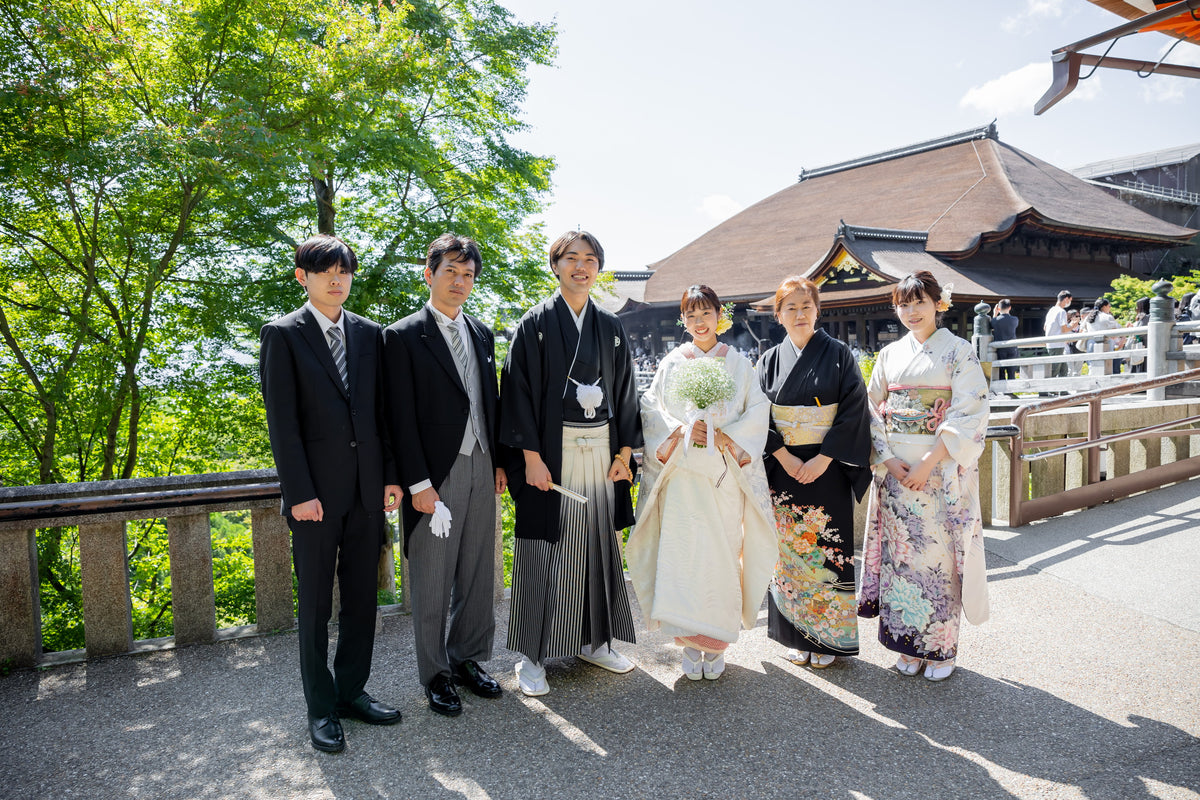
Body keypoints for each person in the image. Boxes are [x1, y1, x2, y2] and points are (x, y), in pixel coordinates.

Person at [259, 234, 403, 753]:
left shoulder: (369, 334)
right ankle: (320, 709)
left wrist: (389, 475)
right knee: (316, 605)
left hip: (367, 491)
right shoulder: (283, 334)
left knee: (363, 600)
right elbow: (283, 423)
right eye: (325, 272)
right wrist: (298, 491)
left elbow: (380, 414)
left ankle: (352, 692)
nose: (335, 279)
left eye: (343, 271)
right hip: (314, 498)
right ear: (304, 277)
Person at [500, 230, 643, 697]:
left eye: (590, 260)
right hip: (550, 456)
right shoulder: (534, 323)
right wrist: (530, 459)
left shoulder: (610, 326)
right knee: (544, 551)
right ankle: (532, 655)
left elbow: (625, 392)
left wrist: (625, 454)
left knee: (598, 547)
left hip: (602, 451)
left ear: (598, 269)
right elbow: (516, 394)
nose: (581, 267)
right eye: (571, 259)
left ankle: (594, 641)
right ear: (555, 265)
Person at [381, 233, 507, 718]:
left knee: (479, 571)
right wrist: (417, 483)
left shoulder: (480, 333)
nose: (460, 281)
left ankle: (468, 659)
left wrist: (497, 460)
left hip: (481, 462)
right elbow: (398, 416)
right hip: (434, 472)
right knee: (432, 578)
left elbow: (488, 402)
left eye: (468, 274)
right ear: (429, 273)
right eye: (450, 271)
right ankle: (435, 674)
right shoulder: (402, 335)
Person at [627, 285, 775, 680]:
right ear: (684, 320)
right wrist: (679, 430)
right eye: (691, 315)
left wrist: (728, 437)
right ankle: (689, 645)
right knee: (684, 555)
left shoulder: (738, 362)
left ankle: (717, 644)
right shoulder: (673, 362)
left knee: (723, 552)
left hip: (723, 472)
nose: (699, 321)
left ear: (718, 316)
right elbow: (651, 408)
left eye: (705, 313)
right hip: (683, 472)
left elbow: (758, 407)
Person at [859, 271, 990, 683]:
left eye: (919, 302)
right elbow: (871, 407)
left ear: (938, 303)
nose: (910, 311)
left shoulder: (958, 351)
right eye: (903, 304)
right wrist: (887, 458)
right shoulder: (889, 355)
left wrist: (929, 462)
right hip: (897, 474)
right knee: (901, 560)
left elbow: (970, 410)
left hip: (940, 474)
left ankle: (940, 647)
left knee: (939, 560)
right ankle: (906, 644)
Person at [756, 277, 871, 669]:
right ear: (778, 315)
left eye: (806, 306)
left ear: (817, 310)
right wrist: (785, 457)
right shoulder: (768, 360)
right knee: (790, 554)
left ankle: (827, 640)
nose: (799, 314)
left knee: (828, 550)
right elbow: (756, 415)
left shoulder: (840, 355)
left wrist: (824, 458)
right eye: (790, 307)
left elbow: (855, 409)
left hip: (829, 468)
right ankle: (795, 634)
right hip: (785, 469)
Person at [1080, 297, 1123, 375]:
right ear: (1104, 306)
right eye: (1109, 306)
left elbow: (1082, 330)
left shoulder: (1089, 317)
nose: (1110, 308)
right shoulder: (1107, 317)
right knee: (1106, 367)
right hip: (1105, 344)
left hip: (1090, 343)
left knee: (1092, 368)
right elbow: (1114, 333)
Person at [1043, 290, 1073, 379]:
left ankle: (1062, 391)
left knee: (1064, 369)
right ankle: (1046, 390)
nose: (1069, 302)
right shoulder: (1061, 311)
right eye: (1070, 300)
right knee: (1054, 369)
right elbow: (1064, 329)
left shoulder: (1051, 310)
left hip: (1052, 343)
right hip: (1057, 344)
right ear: (1066, 299)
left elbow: (1045, 327)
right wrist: (1072, 326)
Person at [990, 299, 1019, 382]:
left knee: (1001, 372)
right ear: (1009, 308)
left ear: (998, 308)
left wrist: (995, 314)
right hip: (1012, 348)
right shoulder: (1015, 319)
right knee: (1011, 372)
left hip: (1000, 349)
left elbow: (992, 325)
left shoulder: (995, 320)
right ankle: (1011, 391)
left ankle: (1003, 391)